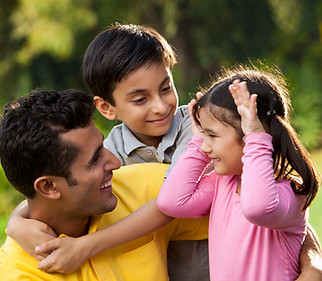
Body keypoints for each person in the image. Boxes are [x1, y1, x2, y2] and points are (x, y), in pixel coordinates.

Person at [0, 89, 208, 280]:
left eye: (103, 146)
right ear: (49, 187)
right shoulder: (17, 273)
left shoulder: (144, 186)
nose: (115, 163)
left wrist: (16, 220)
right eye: (94, 160)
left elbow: (234, 193)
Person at [157, 65, 322, 280]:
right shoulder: (221, 183)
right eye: (203, 136)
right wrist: (197, 142)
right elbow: (171, 201)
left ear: (250, 136)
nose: (205, 148)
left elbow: (257, 208)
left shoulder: (290, 192)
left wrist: (257, 139)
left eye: (212, 136)